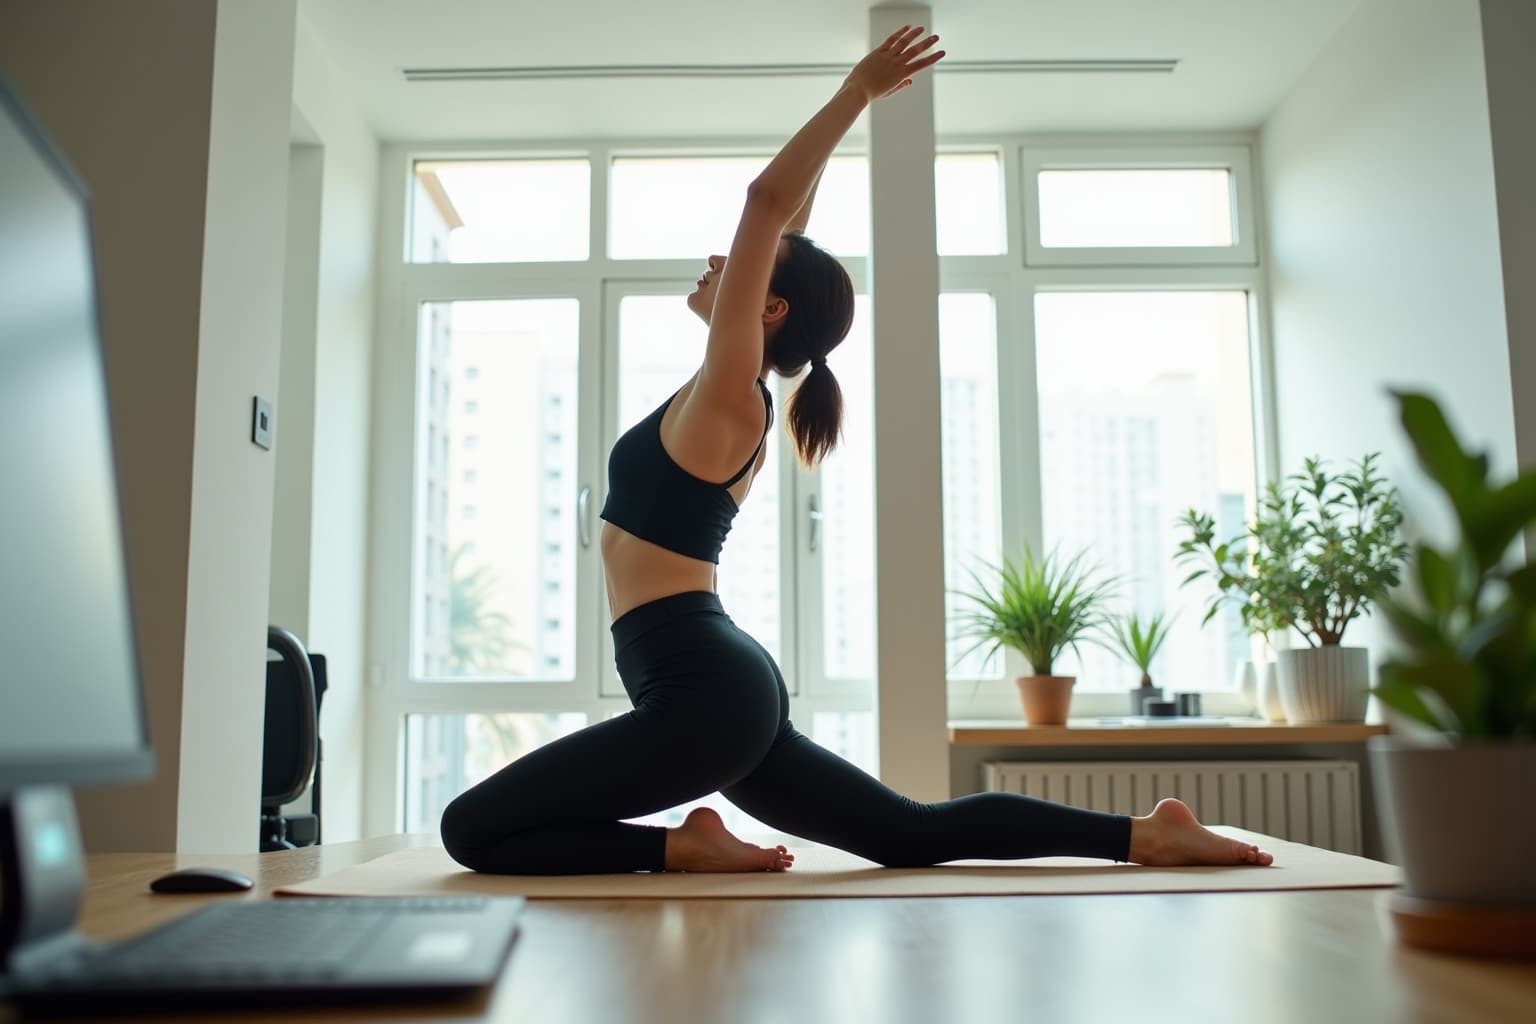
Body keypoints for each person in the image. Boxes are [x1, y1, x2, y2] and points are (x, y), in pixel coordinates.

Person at [440, 27, 1275, 875]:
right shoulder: (724, 392)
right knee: (910, 835)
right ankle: (1147, 834)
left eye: (742, 271)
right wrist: (822, 168)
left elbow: (768, 205)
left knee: (469, 832)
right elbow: (788, 220)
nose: (720, 264)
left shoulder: (733, 397)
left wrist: (857, 92)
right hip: (714, 682)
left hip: (700, 693)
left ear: (766, 313)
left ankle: (681, 846)